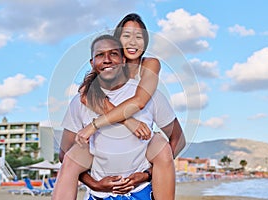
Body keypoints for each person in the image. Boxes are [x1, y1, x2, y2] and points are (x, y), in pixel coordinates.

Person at [52, 35, 185, 200]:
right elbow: (64, 155)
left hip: (141, 191)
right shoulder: (81, 101)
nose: (107, 60)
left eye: (113, 54)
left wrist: (147, 174)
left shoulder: (150, 96)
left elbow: (178, 139)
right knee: (72, 157)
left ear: (123, 60)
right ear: (92, 63)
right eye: (100, 55)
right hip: (100, 195)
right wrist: (95, 184)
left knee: (161, 145)